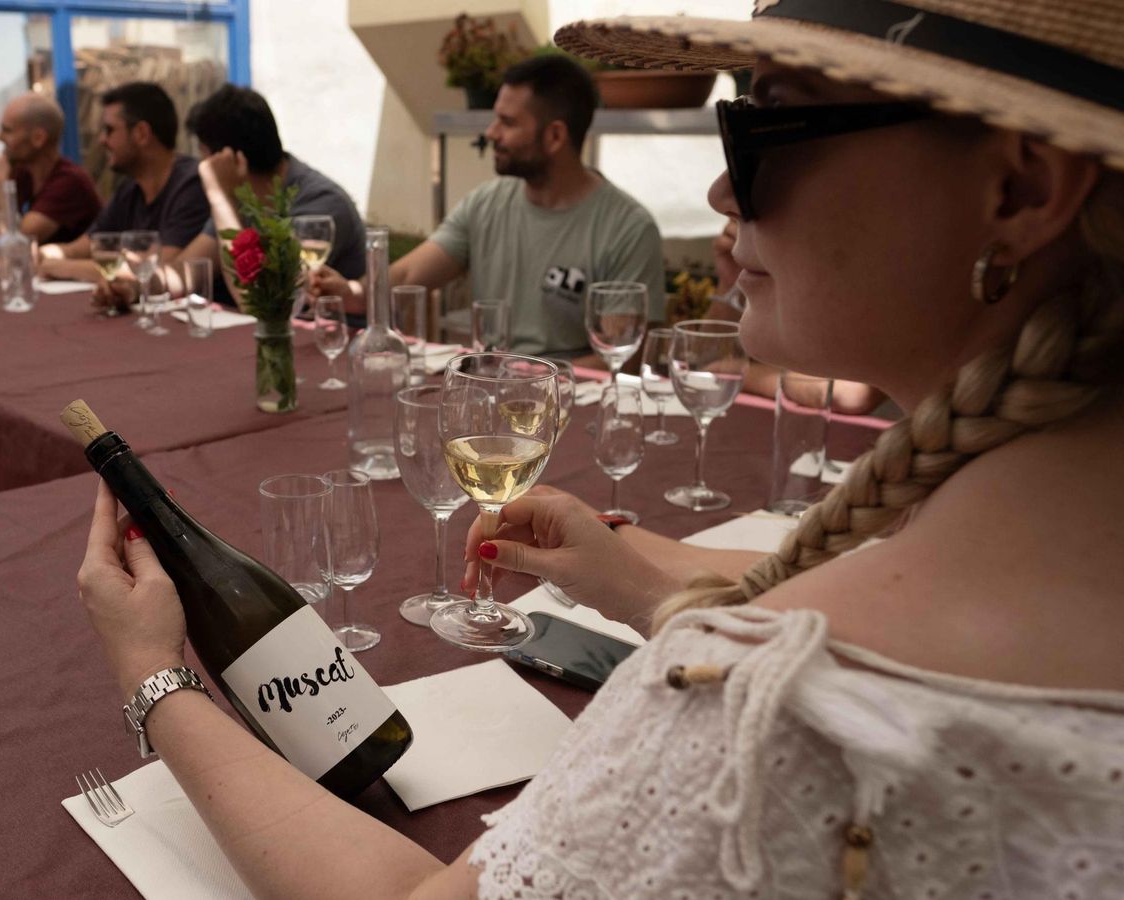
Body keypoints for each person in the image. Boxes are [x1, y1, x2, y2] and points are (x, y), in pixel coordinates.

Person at [77, 2, 1124, 897]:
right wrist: (642, 581)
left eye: (761, 126)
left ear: (1022, 192)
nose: (720, 194)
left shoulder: (768, 719)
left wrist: (154, 676)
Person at [309, 54, 667, 357]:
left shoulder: (628, 229)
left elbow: (622, 357)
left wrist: (529, 385)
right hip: (488, 394)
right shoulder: (486, 203)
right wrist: (352, 292)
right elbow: (405, 278)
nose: (491, 133)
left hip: (573, 409)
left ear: (555, 136)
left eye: (508, 122)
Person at [175, 84, 366, 308]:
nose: (202, 165)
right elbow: (185, 272)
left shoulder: (320, 205)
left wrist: (219, 197)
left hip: (333, 338)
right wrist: (134, 286)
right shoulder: (241, 197)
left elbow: (260, 303)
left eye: (204, 154)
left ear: (231, 159)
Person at [37, 82, 209, 303]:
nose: (102, 140)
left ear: (141, 133)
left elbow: (157, 270)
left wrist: (57, 266)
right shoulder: (129, 190)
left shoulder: (192, 185)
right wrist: (45, 254)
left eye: (109, 130)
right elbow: (79, 249)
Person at [707, 217, 890, 415]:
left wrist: (739, 372)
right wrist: (730, 284)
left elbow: (850, 395)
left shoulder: (869, 276)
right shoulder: (788, 277)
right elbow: (705, 359)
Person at [0, 92, 101, 247]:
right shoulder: (23, 174)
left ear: (38, 138)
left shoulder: (69, 182)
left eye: (7, 130)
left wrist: (2, 184)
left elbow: (14, 244)